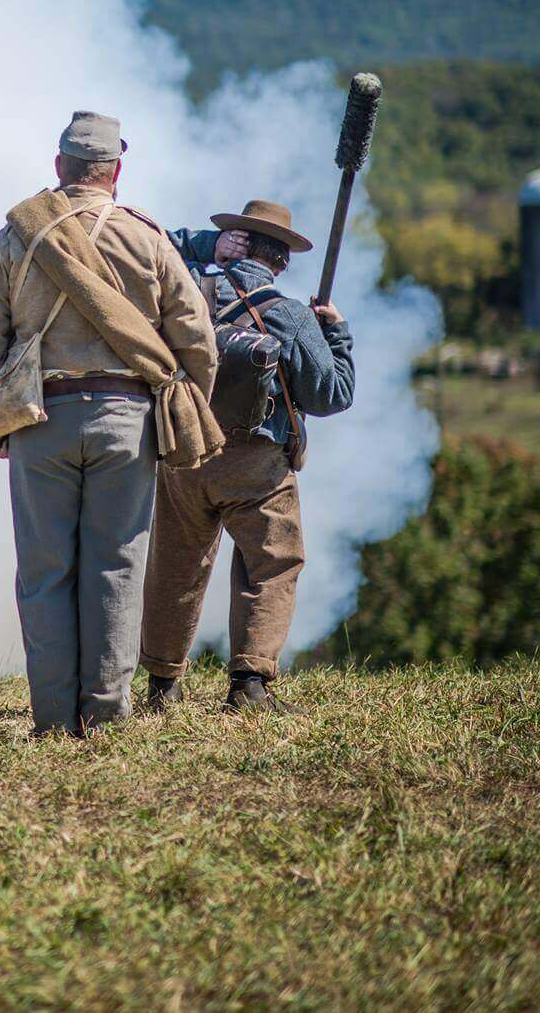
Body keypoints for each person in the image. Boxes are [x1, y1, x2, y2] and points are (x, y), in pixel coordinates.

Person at [0, 113, 217, 736]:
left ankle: (52, 720)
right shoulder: (147, 238)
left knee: (45, 572)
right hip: (127, 422)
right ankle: (105, 717)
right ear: (116, 173)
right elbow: (198, 341)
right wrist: (176, 411)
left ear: (59, 169)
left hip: (38, 418)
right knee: (118, 567)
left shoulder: (18, 237)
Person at [140, 200, 354, 713]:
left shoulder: (187, 291)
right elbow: (333, 395)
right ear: (280, 260)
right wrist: (334, 333)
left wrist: (200, 246)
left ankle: (162, 687)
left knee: (176, 567)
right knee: (273, 563)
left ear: (235, 242)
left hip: (185, 453)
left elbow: (148, 245)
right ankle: (250, 685)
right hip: (256, 462)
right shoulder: (290, 315)